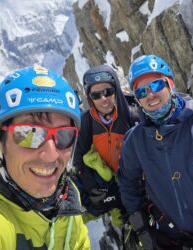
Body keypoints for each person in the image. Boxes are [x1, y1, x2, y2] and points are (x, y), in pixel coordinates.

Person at [117, 54, 193, 250]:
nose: (150, 95)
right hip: (165, 236)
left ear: (170, 84)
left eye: (156, 85)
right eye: (141, 92)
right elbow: (128, 184)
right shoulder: (134, 141)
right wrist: (140, 227)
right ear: (137, 100)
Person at [0, 65, 90, 250]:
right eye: (29, 134)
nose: (51, 155)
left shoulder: (67, 196)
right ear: (0, 142)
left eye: (64, 135)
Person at [72, 64, 139, 247]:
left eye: (108, 91)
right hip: (106, 181)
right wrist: (93, 187)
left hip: (133, 182)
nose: (103, 99)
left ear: (116, 89)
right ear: (89, 97)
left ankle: (122, 232)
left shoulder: (131, 116)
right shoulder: (87, 121)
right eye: (96, 95)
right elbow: (79, 159)